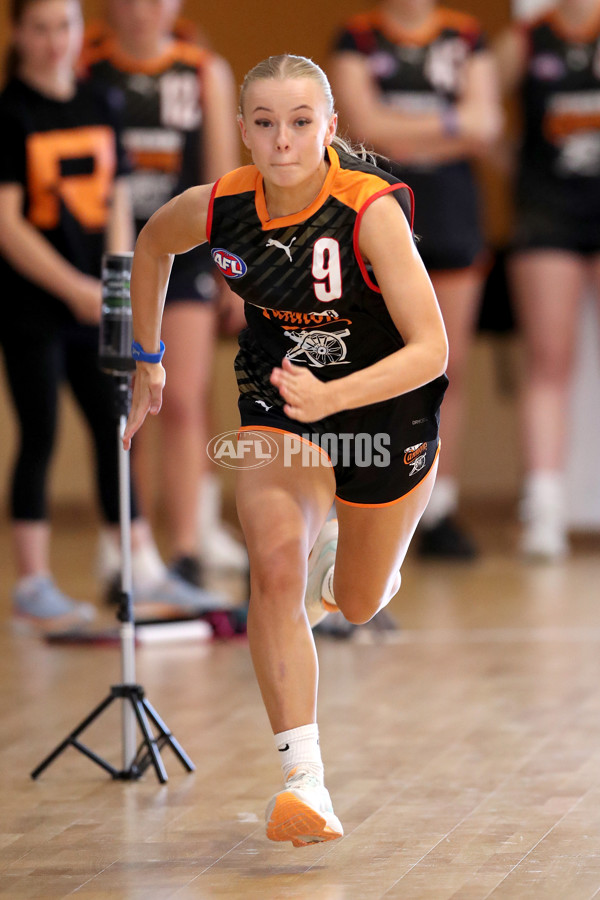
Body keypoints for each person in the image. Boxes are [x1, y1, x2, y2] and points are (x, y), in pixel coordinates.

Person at [122, 54, 448, 847]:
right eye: (264, 123)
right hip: (281, 408)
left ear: (330, 128)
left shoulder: (369, 212)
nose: (283, 139)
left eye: (301, 122)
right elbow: (150, 247)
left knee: (360, 602)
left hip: (385, 410)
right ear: (241, 132)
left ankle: (351, 559)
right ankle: (305, 781)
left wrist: (335, 398)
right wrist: (145, 360)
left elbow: (433, 348)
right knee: (272, 565)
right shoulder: (222, 205)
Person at [0, 0, 218, 633]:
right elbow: (7, 223)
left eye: (62, 26)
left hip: (98, 303)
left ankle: (140, 563)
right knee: (39, 432)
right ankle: (34, 582)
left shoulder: (101, 102)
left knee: (113, 427)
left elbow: (121, 203)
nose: (52, 41)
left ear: (76, 31)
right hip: (33, 306)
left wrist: (117, 283)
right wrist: (70, 285)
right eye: (38, 28)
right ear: (18, 34)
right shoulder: (11, 112)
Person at [80, 0, 246, 588]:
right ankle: (132, 545)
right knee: (127, 403)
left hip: (189, 254)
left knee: (181, 399)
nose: (145, 9)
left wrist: (233, 271)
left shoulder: (203, 69)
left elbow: (223, 177)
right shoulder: (87, 65)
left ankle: (186, 547)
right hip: (120, 253)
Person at [328, 0, 502, 558]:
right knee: (370, 362)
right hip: (376, 210)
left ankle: (439, 506)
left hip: (450, 213)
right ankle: (360, 504)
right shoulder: (357, 38)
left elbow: (488, 125)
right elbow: (369, 129)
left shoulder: (465, 36)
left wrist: (416, 134)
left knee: (445, 367)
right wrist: (453, 124)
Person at [494, 0, 600, 560]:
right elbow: (481, 111)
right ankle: (545, 509)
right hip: (547, 213)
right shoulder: (526, 39)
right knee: (549, 358)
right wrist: (514, 164)